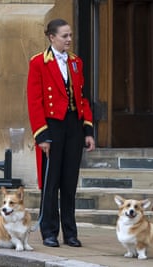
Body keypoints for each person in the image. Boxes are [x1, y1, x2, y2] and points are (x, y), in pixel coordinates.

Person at [27, 18, 95, 248]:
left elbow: (82, 98)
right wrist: (41, 135)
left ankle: (70, 232)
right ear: (52, 37)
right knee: (51, 182)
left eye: (70, 35)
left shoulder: (76, 62)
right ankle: (49, 231)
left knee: (69, 182)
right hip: (52, 127)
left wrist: (87, 129)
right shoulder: (38, 62)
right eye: (65, 36)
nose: (69, 39)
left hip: (73, 126)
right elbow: (34, 102)